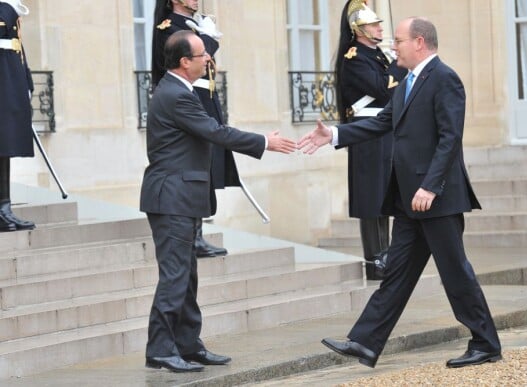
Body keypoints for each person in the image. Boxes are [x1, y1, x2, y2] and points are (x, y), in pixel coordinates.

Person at [298, 17, 502, 369]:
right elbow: (381, 122)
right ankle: (364, 342)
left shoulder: (445, 79)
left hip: (435, 198)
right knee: (397, 274)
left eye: (399, 40)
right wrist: (333, 135)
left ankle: (485, 343)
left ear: (420, 42)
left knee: (455, 272)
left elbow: (450, 139)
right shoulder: (408, 81)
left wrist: (430, 186)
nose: (394, 47)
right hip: (409, 199)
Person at [140, 30, 295, 372]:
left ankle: (188, 344)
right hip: (172, 198)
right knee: (175, 275)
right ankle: (160, 349)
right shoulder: (176, 96)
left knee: (187, 276)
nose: (208, 60)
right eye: (202, 56)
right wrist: (263, 142)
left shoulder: (180, 91)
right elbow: (216, 132)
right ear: (184, 62)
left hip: (182, 196)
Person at [152, 0, 236, 258]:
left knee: (206, 168)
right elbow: (195, 59)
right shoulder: (170, 28)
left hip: (204, 101)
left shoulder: (193, 26)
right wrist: (208, 38)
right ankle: (194, 237)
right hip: (190, 103)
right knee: (196, 168)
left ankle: (198, 234)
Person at [335, 0, 407, 280]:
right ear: (360, 30)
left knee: (384, 192)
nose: (380, 28)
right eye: (374, 25)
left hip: (382, 127)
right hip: (365, 129)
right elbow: (382, 89)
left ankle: (385, 253)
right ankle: (374, 258)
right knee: (369, 194)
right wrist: (399, 66)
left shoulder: (377, 56)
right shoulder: (354, 57)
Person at [0, 0, 35, 232]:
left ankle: (4, 207)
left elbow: (17, 48)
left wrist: (26, 82)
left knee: (5, 149)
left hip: (10, 81)